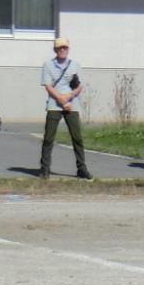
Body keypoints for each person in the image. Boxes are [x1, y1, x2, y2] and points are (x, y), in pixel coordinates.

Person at [38, 37, 92, 180]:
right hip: (54, 104)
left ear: (68, 49)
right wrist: (61, 99)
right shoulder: (48, 65)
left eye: (65, 48)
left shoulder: (75, 65)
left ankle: (82, 168)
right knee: (49, 137)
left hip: (72, 105)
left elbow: (79, 85)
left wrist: (69, 96)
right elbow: (48, 86)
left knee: (77, 137)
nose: (62, 50)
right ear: (55, 50)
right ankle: (44, 168)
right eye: (60, 48)